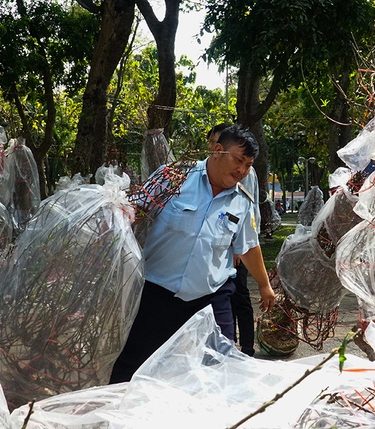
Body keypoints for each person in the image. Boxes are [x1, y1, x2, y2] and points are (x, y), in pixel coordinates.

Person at [110, 125, 275, 383]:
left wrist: (265, 285)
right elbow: (134, 211)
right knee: (132, 366)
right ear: (218, 151)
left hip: (211, 297)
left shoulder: (242, 201)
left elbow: (248, 246)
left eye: (248, 165)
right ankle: (116, 416)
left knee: (220, 369)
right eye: (239, 161)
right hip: (158, 292)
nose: (242, 171)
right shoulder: (173, 178)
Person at [207, 123, 258, 357]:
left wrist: (239, 247)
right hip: (214, 255)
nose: (242, 169)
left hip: (234, 248)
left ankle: (246, 347)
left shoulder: (243, 174)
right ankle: (231, 344)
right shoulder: (186, 179)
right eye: (211, 143)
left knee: (239, 298)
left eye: (246, 163)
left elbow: (248, 210)